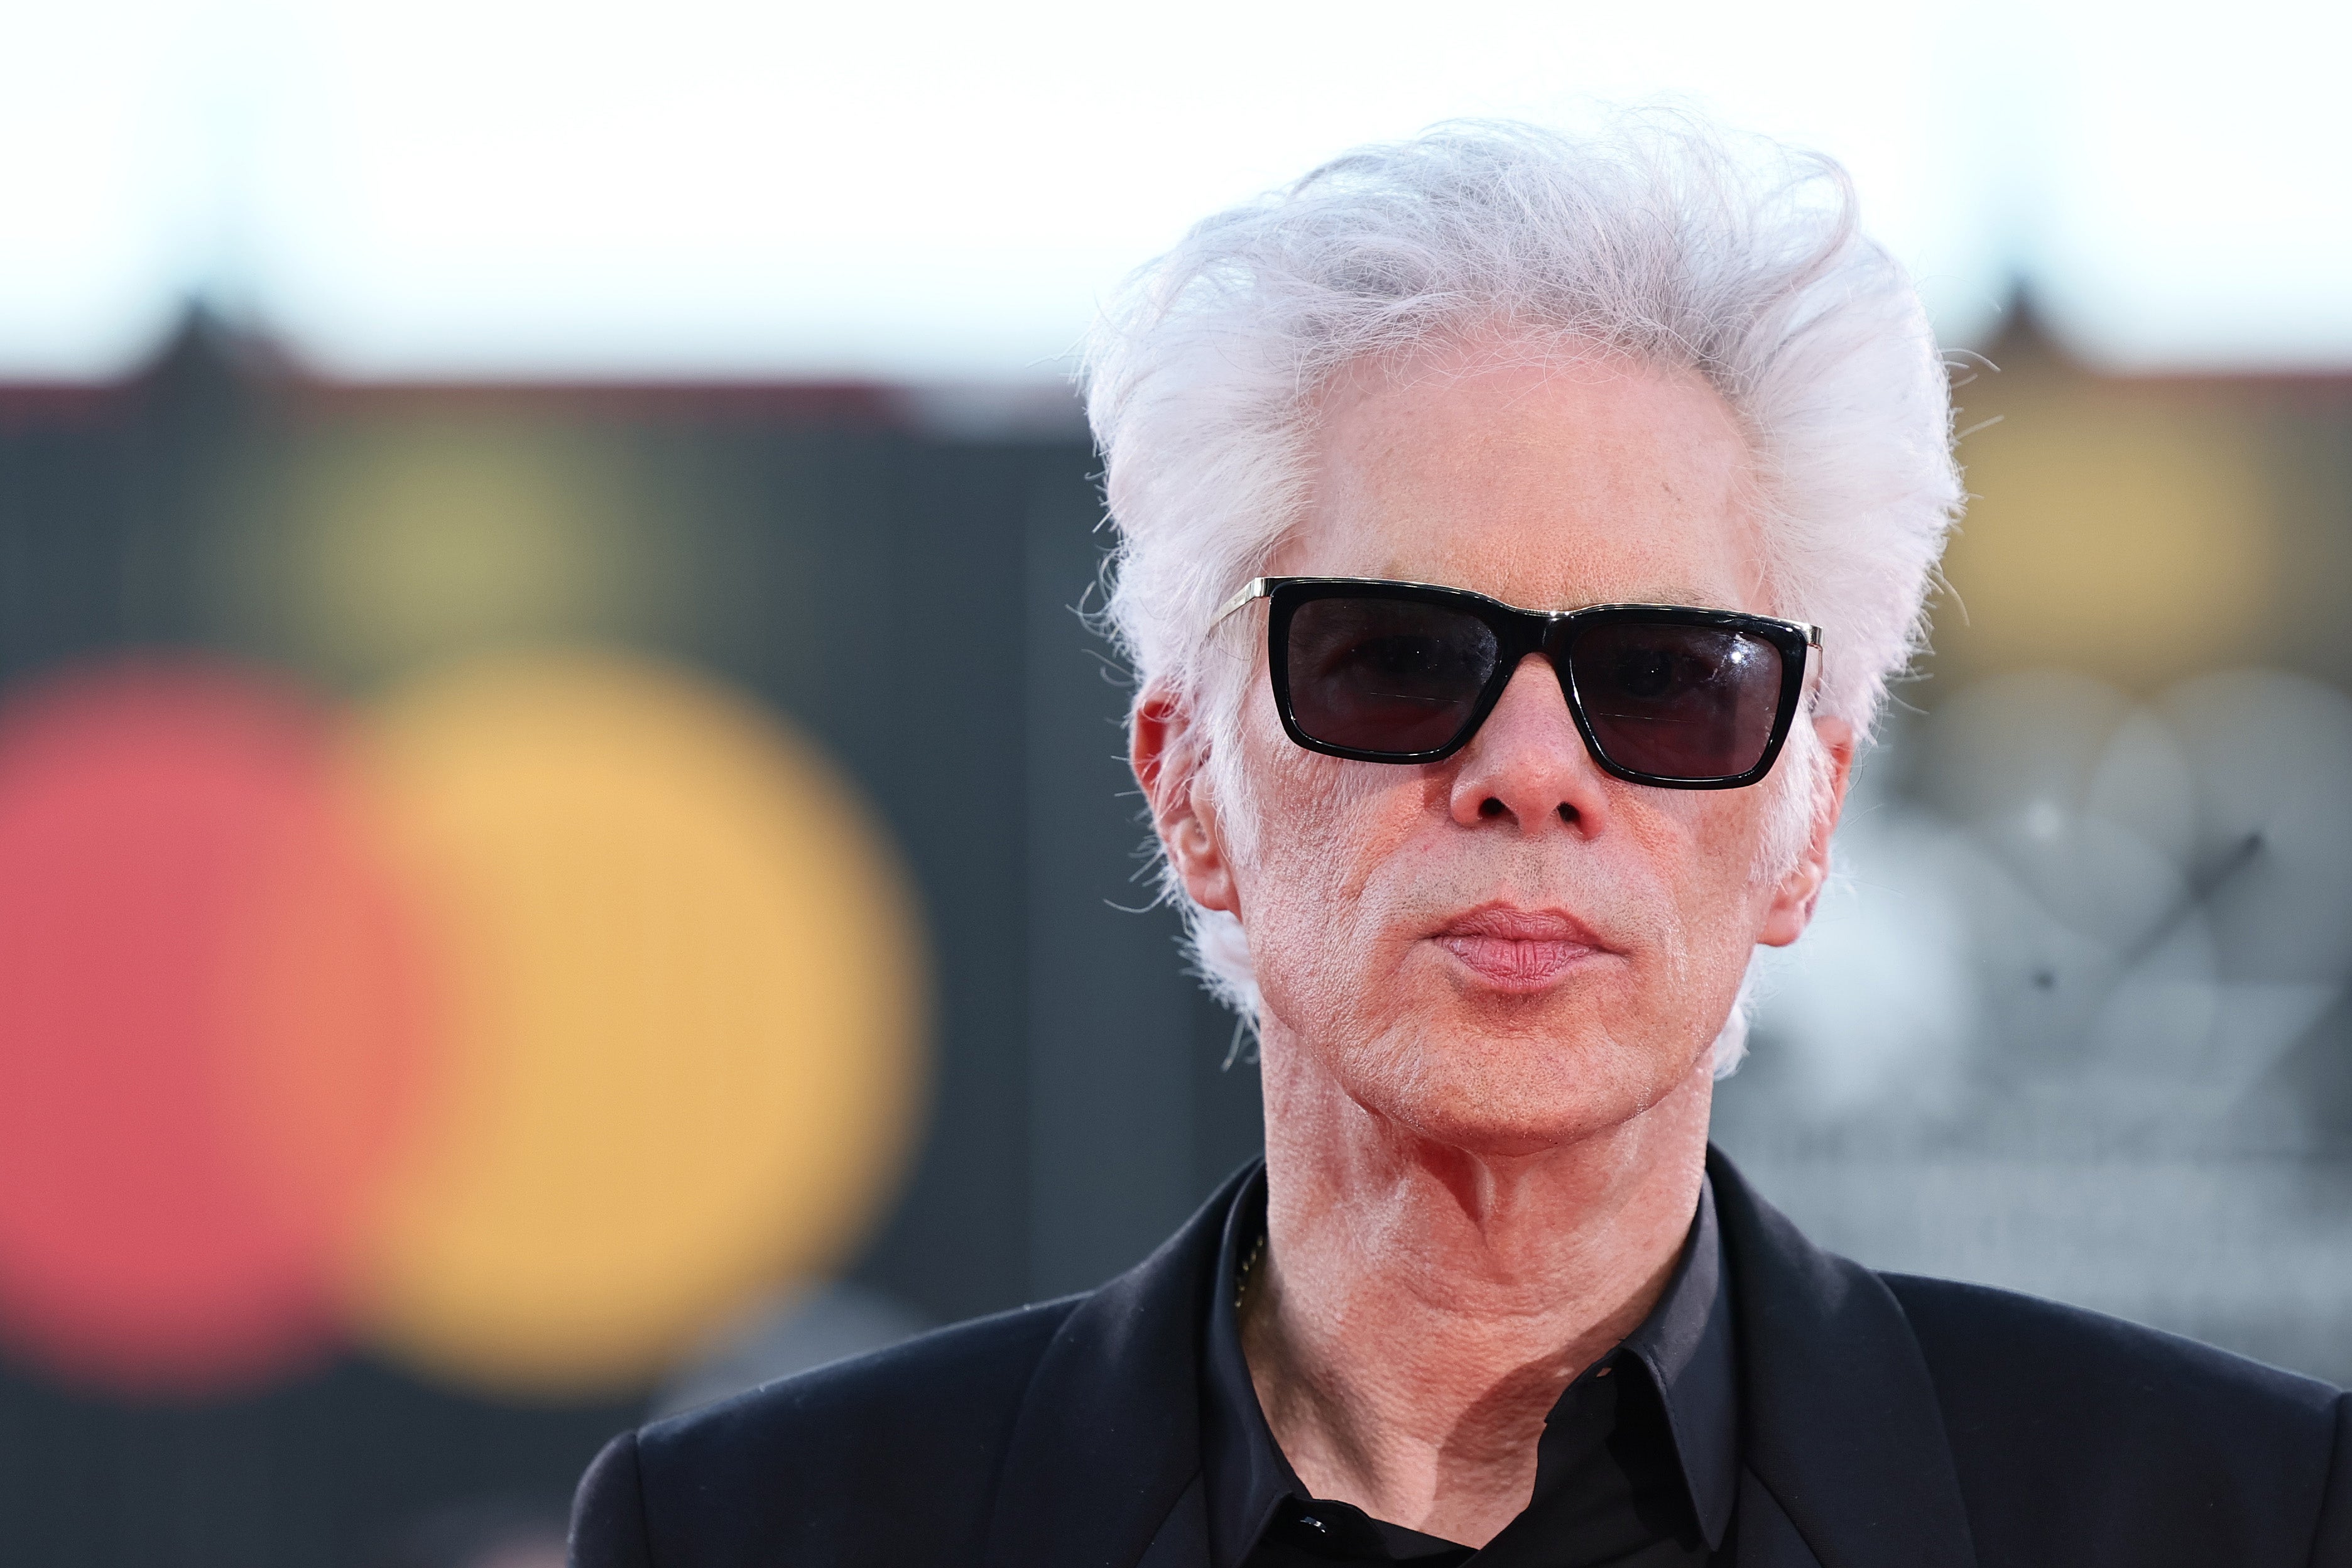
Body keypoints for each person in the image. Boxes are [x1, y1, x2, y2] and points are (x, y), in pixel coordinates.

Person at [568, 116, 2351, 1567]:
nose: (1529, 768)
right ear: (1187, 783)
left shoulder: (2234, 1516)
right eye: (1401, 658)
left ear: (1806, 821)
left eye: (1663, 682)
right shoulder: (747, 1532)